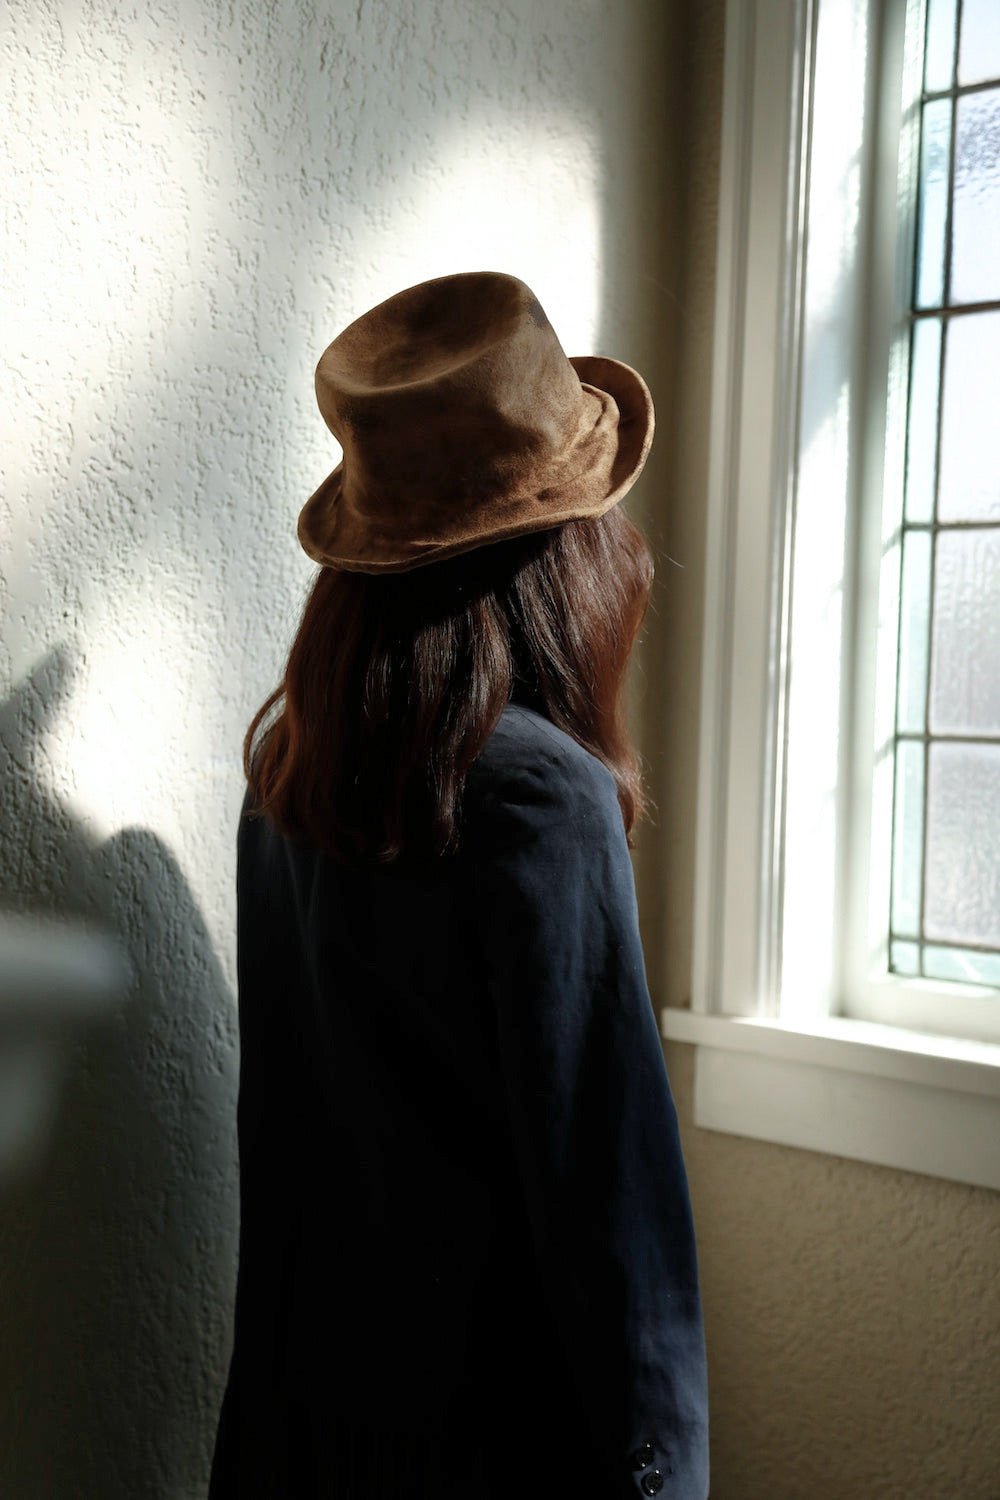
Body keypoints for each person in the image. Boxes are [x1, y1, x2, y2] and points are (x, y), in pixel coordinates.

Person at [208, 271, 709, 1499]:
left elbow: (282, 1173)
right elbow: (616, 1224)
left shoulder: (292, 778)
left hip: (305, 1441)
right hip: (512, 1453)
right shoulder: (540, 800)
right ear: (563, 553)